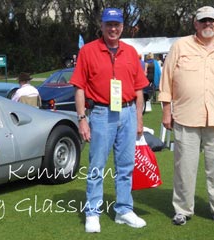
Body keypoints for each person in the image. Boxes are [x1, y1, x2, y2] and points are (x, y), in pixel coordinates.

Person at [158, 6, 214, 226]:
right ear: (195, 23)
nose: (207, 24)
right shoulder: (180, 46)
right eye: (202, 21)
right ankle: (182, 209)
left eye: (211, 21)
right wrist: (166, 110)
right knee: (184, 166)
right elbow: (166, 79)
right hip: (186, 116)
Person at [69, 7, 149, 233]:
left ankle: (123, 210)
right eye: (109, 24)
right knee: (97, 165)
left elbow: (139, 89)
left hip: (128, 112)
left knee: (126, 166)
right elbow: (79, 87)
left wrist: (139, 118)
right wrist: (82, 118)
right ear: (102, 26)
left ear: (122, 27)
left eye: (117, 25)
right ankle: (92, 212)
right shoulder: (88, 51)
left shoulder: (131, 52)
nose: (113, 29)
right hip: (101, 114)